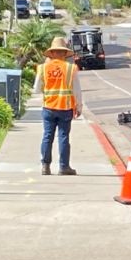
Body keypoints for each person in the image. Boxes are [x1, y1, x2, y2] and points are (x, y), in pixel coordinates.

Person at [34, 37, 82, 175]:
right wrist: (79, 107)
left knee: (47, 136)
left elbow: (37, 88)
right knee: (63, 137)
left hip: (48, 107)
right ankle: (64, 167)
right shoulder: (70, 68)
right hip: (65, 108)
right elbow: (76, 90)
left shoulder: (43, 68)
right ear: (64, 54)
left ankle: (45, 166)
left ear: (52, 53)